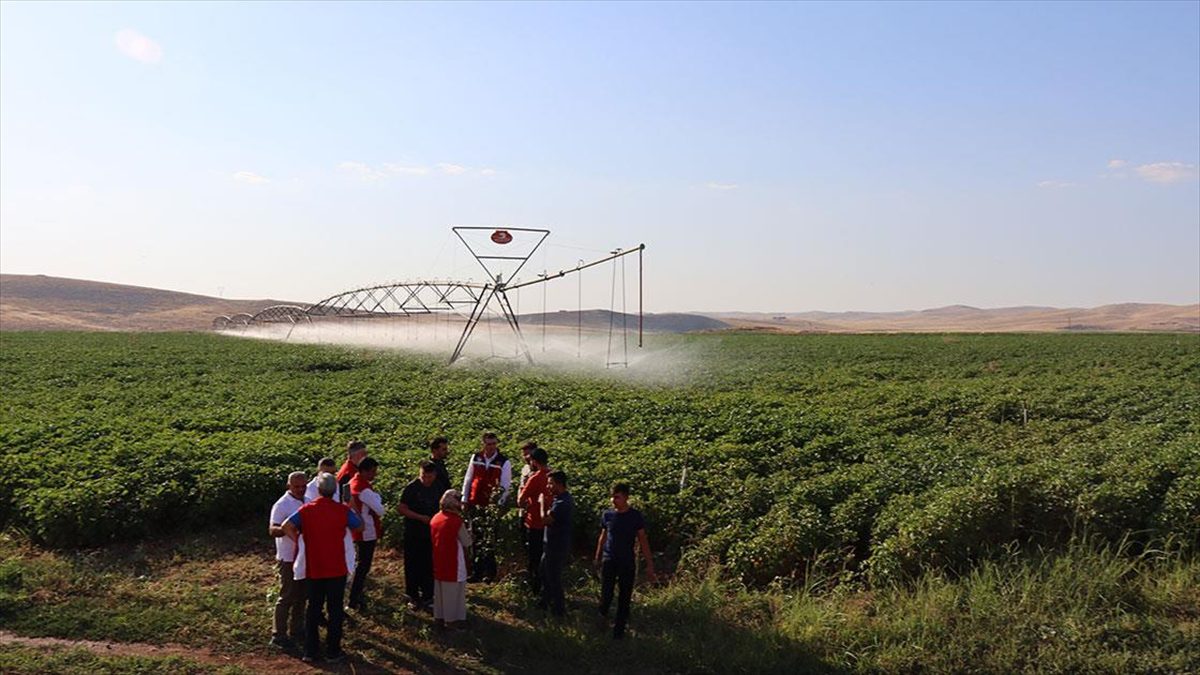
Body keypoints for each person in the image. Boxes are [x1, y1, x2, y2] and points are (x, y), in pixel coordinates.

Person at [283, 472, 363, 663]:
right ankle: (333, 651)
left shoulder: (307, 510)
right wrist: (350, 506)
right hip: (336, 567)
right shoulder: (342, 511)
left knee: (313, 609)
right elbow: (359, 527)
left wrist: (301, 541)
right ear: (334, 489)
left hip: (314, 566)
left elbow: (286, 526)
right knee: (335, 610)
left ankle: (311, 651)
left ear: (318, 490)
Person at [594, 482, 658, 639]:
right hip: (609, 559)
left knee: (624, 595)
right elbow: (603, 537)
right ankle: (601, 619)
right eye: (612, 497)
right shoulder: (607, 515)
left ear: (626, 498)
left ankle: (619, 630)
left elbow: (643, 540)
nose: (613, 500)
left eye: (617, 497)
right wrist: (597, 556)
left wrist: (650, 564)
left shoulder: (635, 516)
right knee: (606, 593)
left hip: (626, 561)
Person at [460, 432, 512, 581]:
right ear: (483, 444)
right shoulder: (476, 458)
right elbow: (468, 479)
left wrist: (499, 504)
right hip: (475, 503)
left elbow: (505, 486)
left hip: (491, 505)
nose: (491, 447)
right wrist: (465, 498)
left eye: (493, 444)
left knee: (490, 539)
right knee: (475, 537)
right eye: (488, 444)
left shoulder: (503, 462)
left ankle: (489, 573)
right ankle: (477, 572)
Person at [268, 471, 308, 649]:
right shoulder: (282, 504)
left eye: (303, 486)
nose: (300, 489)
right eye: (296, 486)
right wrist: (289, 529)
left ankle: (297, 630)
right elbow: (273, 529)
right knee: (287, 595)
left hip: (303, 556)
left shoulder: (307, 500)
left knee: (302, 595)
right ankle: (279, 634)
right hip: (288, 556)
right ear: (289, 486)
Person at [398, 460, 441, 609]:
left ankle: (428, 595)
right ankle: (413, 596)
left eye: (429, 476)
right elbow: (402, 508)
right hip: (413, 532)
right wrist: (419, 517)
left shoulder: (437, 488)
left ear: (434, 475)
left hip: (431, 533)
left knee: (428, 564)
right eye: (423, 476)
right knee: (413, 564)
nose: (426, 479)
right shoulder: (411, 488)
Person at [430, 489, 473, 630]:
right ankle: (453, 620)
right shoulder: (456, 521)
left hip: (439, 558)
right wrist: (471, 535)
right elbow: (467, 542)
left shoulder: (436, 517)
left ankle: (439, 617)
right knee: (454, 592)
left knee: (440, 591)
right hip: (453, 559)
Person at [347, 457, 385, 612]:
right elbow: (380, 510)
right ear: (364, 471)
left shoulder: (352, 483)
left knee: (359, 563)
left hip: (356, 529)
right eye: (372, 472)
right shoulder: (365, 490)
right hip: (367, 531)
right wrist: (378, 498)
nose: (374, 475)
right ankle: (354, 598)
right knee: (363, 566)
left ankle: (355, 595)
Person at [516, 447, 551, 596]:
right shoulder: (554, 476)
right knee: (548, 557)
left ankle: (535, 589)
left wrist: (527, 502)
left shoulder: (535, 477)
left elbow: (520, 500)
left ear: (534, 462)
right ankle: (547, 587)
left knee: (534, 558)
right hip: (550, 523)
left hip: (535, 523)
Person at [540, 470, 573, 616]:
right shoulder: (558, 498)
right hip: (550, 544)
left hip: (556, 546)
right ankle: (545, 602)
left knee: (553, 577)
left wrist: (541, 504)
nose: (548, 486)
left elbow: (546, 520)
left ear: (559, 484)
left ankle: (559, 610)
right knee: (545, 573)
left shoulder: (562, 502)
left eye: (550, 483)